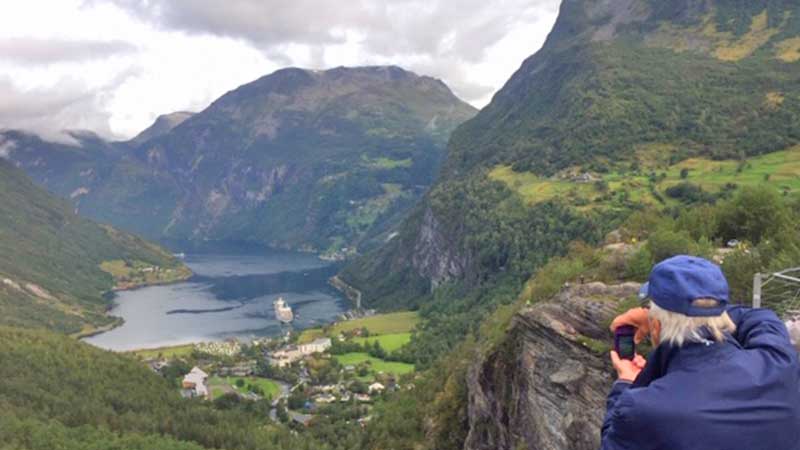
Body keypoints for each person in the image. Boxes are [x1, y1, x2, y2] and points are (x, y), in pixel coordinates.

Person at [601, 255, 800, 450]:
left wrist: (625, 384)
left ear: (656, 326)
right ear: (722, 314)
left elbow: (613, 440)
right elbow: (761, 317)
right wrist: (705, 313)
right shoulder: (779, 363)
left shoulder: (642, 409)